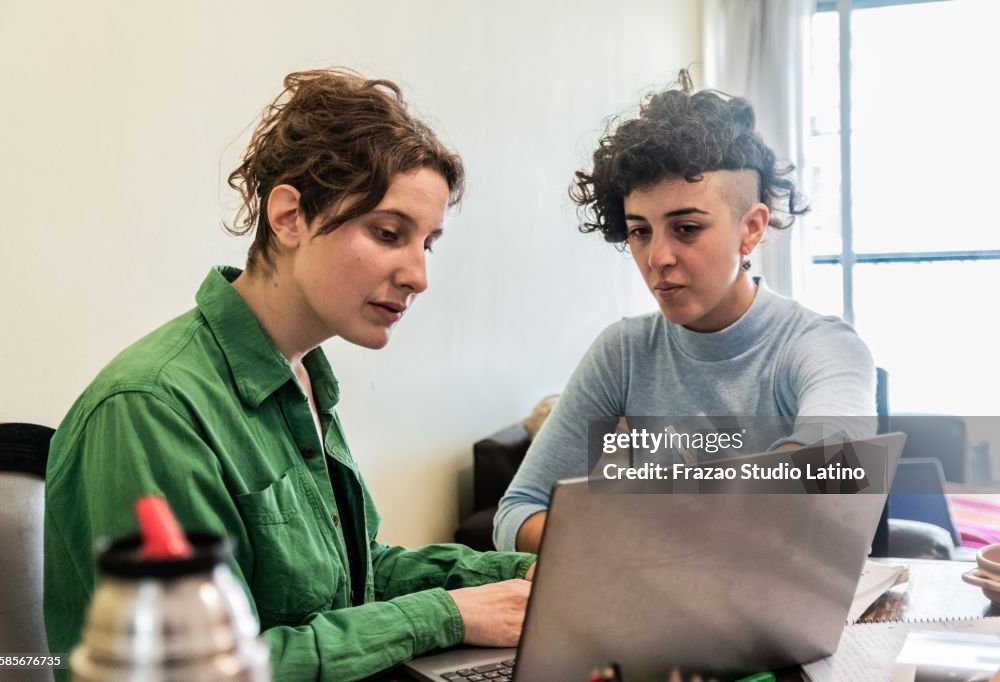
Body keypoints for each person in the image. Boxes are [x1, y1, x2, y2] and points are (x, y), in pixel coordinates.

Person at [44, 69, 535, 682]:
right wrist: (445, 615)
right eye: (388, 233)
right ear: (289, 216)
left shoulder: (301, 379)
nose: (418, 274)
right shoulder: (151, 407)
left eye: (426, 243)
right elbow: (195, 673)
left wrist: (516, 579)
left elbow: (346, 581)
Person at [494, 70, 876, 554]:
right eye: (640, 231)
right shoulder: (624, 351)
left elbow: (831, 468)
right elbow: (517, 512)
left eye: (687, 228)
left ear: (751, 229)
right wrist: (627, 536)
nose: (657, 258)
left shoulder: (823, 347)